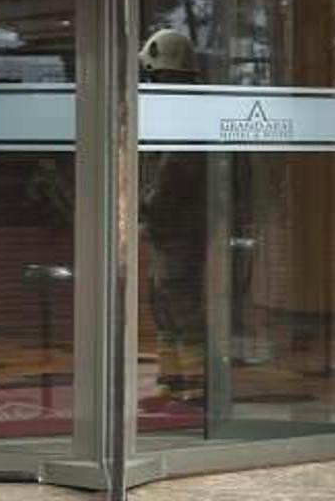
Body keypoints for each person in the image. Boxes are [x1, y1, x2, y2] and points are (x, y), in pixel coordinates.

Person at [138, 28, 207, 408]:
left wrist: (148, 204)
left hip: (179, 226)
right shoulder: (173, 107)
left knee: (179, 302)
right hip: (167, 225)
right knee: (163, 302)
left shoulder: (185, 110)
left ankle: (194, 383)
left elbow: (173, 169)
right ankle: (172, 379)